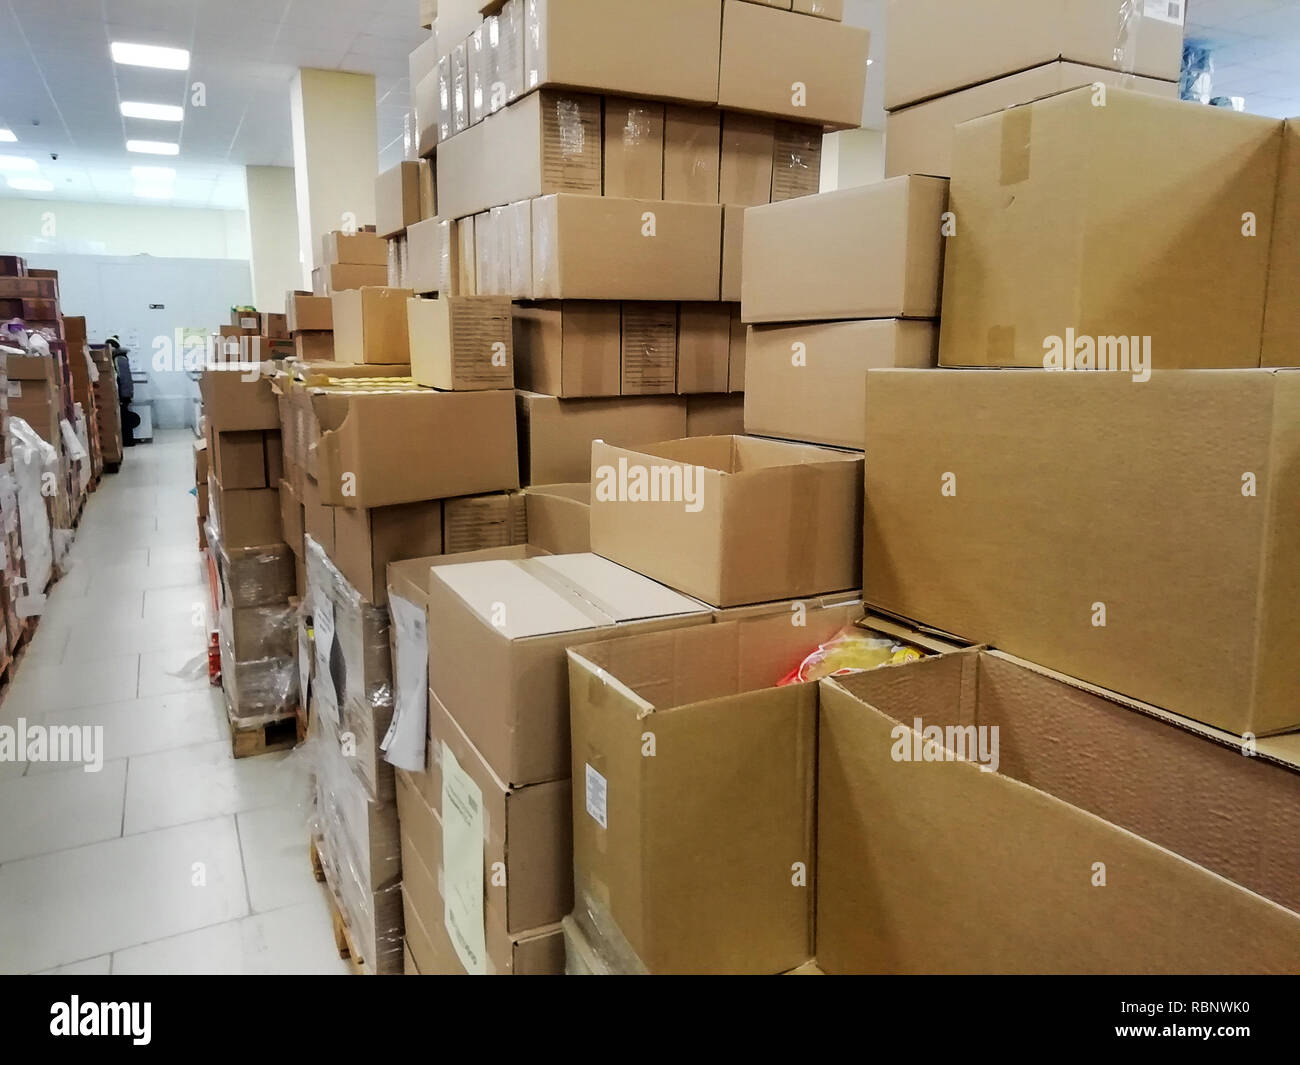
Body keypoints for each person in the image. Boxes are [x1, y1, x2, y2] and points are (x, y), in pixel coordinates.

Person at [107, 336, 139, 447]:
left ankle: (128, 441)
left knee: (125, 418)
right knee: (124, 417)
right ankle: (127, 440)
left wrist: (125, 396)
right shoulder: (118, 357)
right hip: (123, 393)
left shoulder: (119, 358)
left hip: (123, 394)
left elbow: (125, 378)